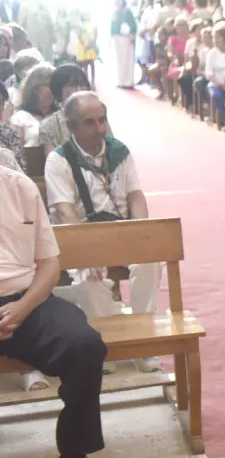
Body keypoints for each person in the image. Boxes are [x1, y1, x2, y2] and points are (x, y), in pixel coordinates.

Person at [0, 163, 130, 458]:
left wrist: (22, 306)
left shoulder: (18, 186)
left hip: (27, 301)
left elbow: (49, 264)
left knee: (84, 345)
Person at [44, 92, 163, 374]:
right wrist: (86, 253)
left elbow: (136, 195)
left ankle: (143, 343)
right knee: (89, 276)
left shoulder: (119, 151)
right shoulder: (59, 161)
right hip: (83, 234)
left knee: (150, 263)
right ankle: (105, 346)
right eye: (90, 123)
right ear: (71, 126)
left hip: (121, 229)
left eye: (102, 120)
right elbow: (64, 211)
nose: (100, 129)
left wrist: (139, 230)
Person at [39, 63, 100, 155]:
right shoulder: (49, 125)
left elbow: (112, 150)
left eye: (83, 85)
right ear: (59, 91)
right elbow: (52, 162)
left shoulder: (97, 114)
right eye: (72, 86)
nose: (79, 90)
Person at [110, 0, 138, 88]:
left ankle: (129, 81)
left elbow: (133, 24)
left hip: (126, 37)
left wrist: (132, 34)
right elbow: (112, 23)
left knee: (127, 59)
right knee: (119, 59)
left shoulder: (127, 11)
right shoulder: (115, 12)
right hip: (116, 36)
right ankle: (121, 80)